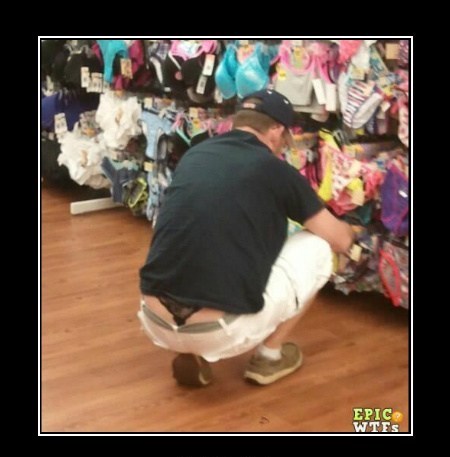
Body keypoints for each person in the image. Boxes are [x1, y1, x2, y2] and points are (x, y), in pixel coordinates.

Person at [138, 89, 354, 387]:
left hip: (153, 318)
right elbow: (339, 240)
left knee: (200, 239)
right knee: (318, 246)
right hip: (220, 329)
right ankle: (269, 356)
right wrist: (353, 232)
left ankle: (187, 348)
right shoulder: (275, 170)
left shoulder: (195, 155)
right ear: (276, 130)